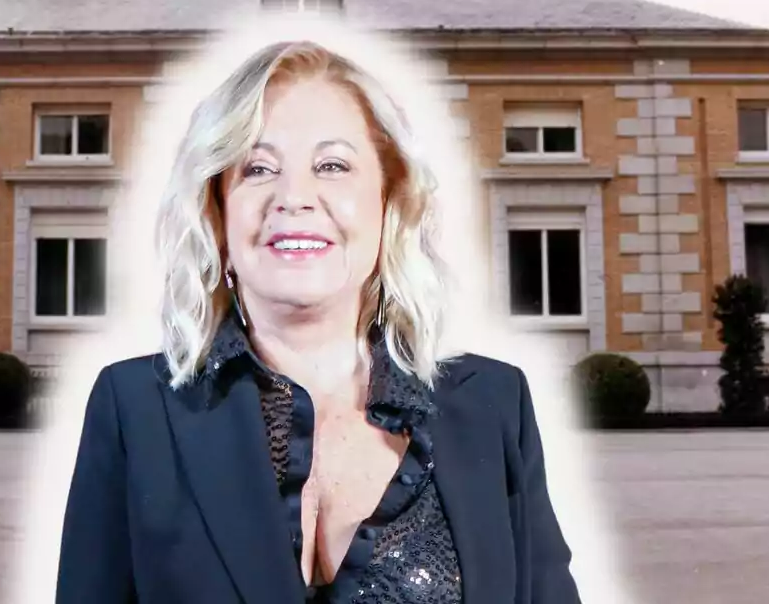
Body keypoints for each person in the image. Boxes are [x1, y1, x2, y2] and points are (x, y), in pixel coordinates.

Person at [55, 41, 581, 603]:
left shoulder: (496, 405)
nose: (294, 197)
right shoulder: (134, 409)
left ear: (389, 203)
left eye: (332, 165)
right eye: (257, 168)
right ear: (217, 216)